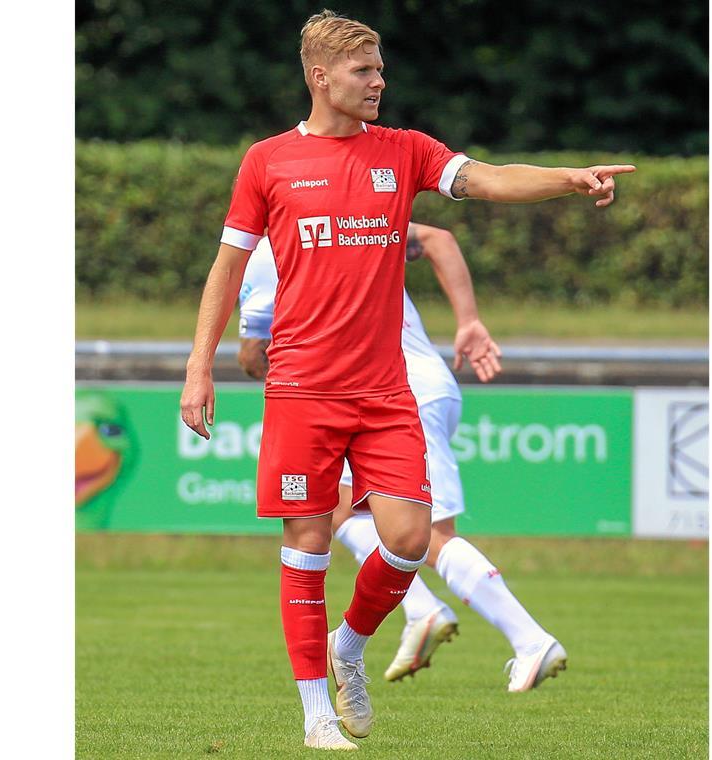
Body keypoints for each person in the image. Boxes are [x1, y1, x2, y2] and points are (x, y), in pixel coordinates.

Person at [180, 9, 634, 750]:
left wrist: (567, 180)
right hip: (302, 390)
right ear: (321, 78)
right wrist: (199, 369)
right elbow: (226, 270)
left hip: (387, 392)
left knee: (409, 537)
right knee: (308, 541)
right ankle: (315, 716)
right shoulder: (267, 162)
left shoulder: (405, 151)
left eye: (381, 69)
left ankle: (349, 648)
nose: (379, 81)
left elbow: (486, 178)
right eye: (365, 71)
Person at [238, 223, 567, 697]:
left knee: (428, 535)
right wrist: (468, 320)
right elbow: (440, 238)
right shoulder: (355, 220)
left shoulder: (271, 249)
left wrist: (296, 391)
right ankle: (419, 609)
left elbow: (253, 355)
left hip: (395, 395)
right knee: (337, 506)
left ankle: (530, 640)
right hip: (414, 387)